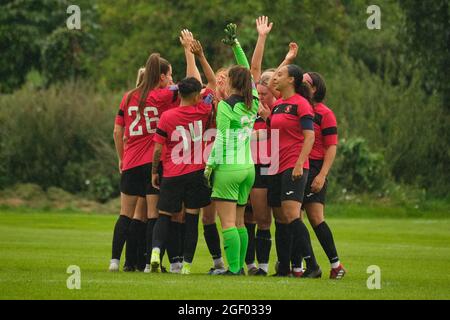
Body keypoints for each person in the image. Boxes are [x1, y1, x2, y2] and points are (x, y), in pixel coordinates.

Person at [109, 32, 184, 272]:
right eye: (169, 74)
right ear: (161, 76)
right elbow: (193, 82)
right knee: (153, 215)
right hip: (154, 162)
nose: (171, 78)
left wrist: (121, 158)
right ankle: (150, 263)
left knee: (127, 215)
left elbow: (117, 132)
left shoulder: (128, 96)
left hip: (130, 162)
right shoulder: (163, 95)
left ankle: (116, 262)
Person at [150, 38, 216, 275]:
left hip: (172, 173)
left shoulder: (167, 116)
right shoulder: (203, 109)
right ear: (197, 95)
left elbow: (157, 149)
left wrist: (155, 172)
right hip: (196, 174)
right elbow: (212, 83)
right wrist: (197, 54)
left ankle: (156, 252)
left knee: (164, 216)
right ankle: (186, 265)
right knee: (191, 219)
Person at [204, 23, 259, 275]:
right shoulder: (254, 101)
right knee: (239, 222)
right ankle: (241, 267)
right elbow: (247, 70)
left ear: (232, 83)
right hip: (248, 168)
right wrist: (236, 45)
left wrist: (209, 166)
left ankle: (234, 269)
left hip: (228, 168)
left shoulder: (226, 106)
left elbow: (222, 139)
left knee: (226, 222)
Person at [265, 42, 321, 277]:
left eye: (281, 75)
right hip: (276, 166)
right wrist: (286, 59)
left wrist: (299, 163)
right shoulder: (278, 103)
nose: (276, 78)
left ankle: (313, 266)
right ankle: (285, 268)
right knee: (281, 218)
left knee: (291, 215)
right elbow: (268, 85)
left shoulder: (301, 104)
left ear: (292, 81)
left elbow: (310, 137)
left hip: (293, 166)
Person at [301, 71, 346, 279]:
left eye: (305, 82)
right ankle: (303, 266)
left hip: (315, 168)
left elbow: (331, 147)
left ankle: (336, 265)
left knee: (316, 218)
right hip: (297, 165)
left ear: (315, 88)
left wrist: (322, 175)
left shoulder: (324, 113)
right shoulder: (298, 108)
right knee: (293, 218)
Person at [244, 16, 275, 276]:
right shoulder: (252, 102)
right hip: (246, 165)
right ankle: (249, 264)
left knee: (263, 218)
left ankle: (263, 266)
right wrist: (261, 37)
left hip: (267, 166)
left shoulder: (276, 109)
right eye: (259, 91)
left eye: (265, 92)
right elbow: (254, 68)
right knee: (245, 218)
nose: (261, 96)